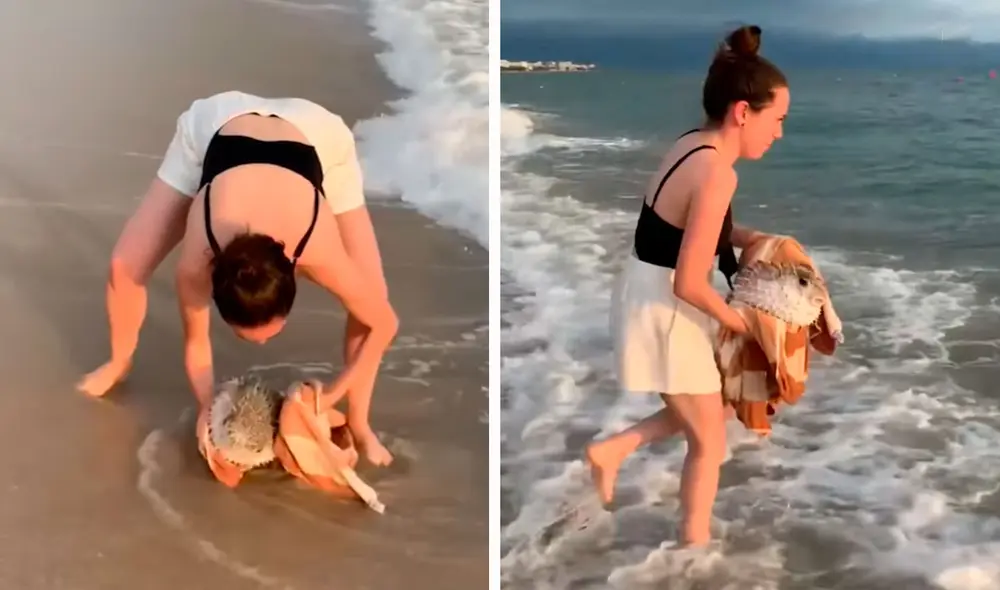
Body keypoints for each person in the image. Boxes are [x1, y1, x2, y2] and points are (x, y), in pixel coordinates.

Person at [77, 90, 399, 466]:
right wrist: (206, 411)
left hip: (316, 136)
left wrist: (329, 396)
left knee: (372, 297)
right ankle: (119, 362)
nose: (260, 347)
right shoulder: (197, 263)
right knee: (124, 266)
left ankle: (360, 424)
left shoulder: (317, 248)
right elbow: (196, 344)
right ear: (217, 289)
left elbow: (386, 323)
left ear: (296, 274)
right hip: (217, 130)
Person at [585, 25, 789, 546]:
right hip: (666, 309)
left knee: (723, 403)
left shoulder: (692, 146)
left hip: (645, 291)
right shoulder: (719, 173)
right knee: (709, 440)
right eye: (778, 119)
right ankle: (692, 550)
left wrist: (752, 237)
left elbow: (686, 227)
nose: (780, 133)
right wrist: (742, 327)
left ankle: (614, 450)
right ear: (743, 112)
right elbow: (690, 283)